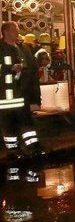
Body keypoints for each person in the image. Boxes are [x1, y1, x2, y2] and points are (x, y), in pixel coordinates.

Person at [0, 21, 47, 160]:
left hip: (21, 94)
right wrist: (9, 69)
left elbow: (30, 61)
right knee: (9, 125)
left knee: (27, 122)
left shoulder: (19, 47)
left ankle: (33, 147)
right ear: (6, 32)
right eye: (15, 30)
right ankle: (13, 151)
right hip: (5, 97)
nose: (17, 32)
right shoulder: (1, 48)